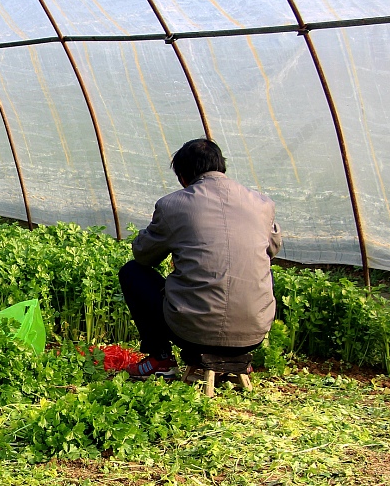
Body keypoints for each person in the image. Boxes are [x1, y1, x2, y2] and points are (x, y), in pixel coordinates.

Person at [119, 138, 281, 379]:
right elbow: (273, 248)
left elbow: (143, 255)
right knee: (257, 270)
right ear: (221, 167)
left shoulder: (173, 205)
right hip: (253, 334)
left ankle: (160, 358)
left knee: (133, 272)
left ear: (183, 177)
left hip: (192, 333)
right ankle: (241, 359)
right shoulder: (262, 203)